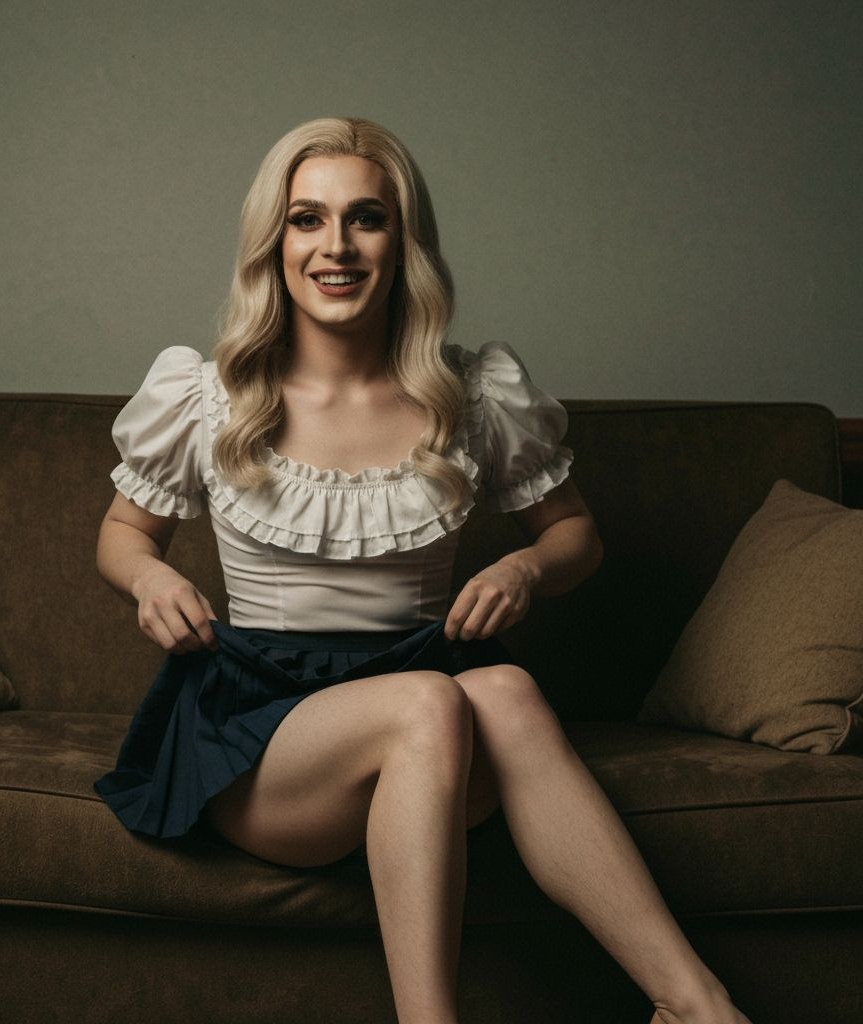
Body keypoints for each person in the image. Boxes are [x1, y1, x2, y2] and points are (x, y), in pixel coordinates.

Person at [93, 117, 752, 1024]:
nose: (335, 246)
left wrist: (527, 567)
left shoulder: (471, 393)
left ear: (403, 243)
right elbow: (123, 534)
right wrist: (151, 580)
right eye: (306, 219)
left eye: (365, 218)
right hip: (260, 737)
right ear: (273, 241)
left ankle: (697, 1008)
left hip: (430, 734)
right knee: (434, 700)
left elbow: (576, 537)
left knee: (507, 694)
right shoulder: (209, 394)